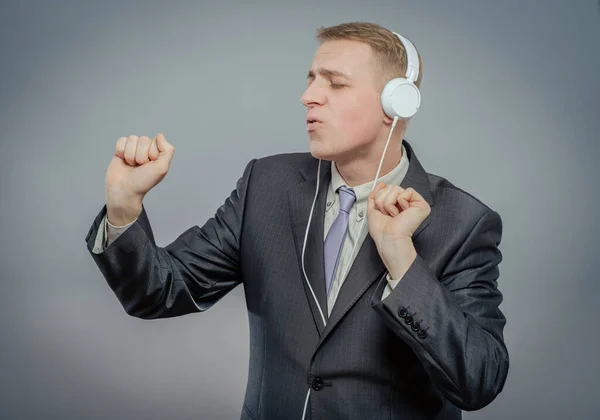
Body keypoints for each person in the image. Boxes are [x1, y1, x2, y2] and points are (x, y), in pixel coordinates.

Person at [85, 21, 509, 420]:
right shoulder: (265, 185)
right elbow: (159, 292)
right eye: (311, 79)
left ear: (396, 104)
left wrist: (403, 262)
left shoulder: (463, 222)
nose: (308, 97)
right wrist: (125, 206)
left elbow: (478, 382)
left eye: (335, 83)